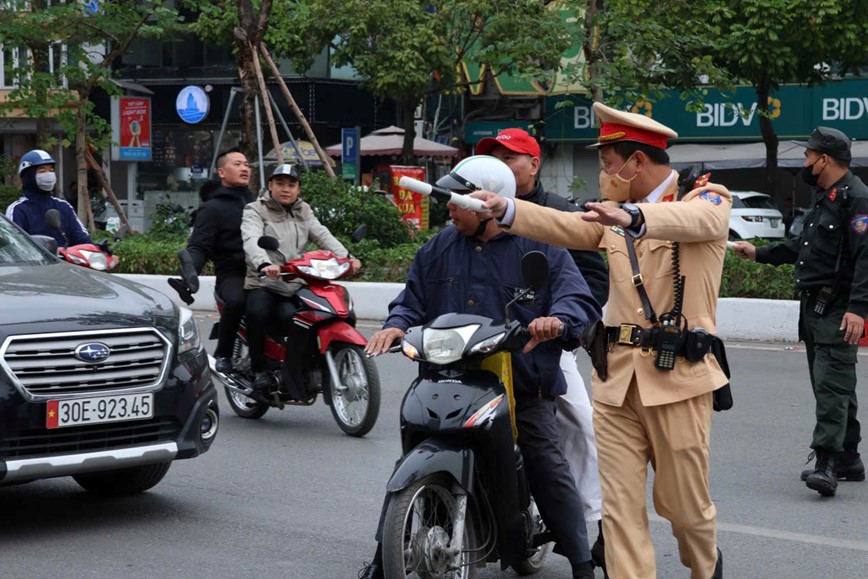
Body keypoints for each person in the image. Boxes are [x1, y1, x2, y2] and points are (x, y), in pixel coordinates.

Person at [475, 102, 730, 579]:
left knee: (684, 508)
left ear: (636, 163)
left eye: (608, 162)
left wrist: (633, 216)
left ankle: (706, 566)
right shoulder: (611, 215)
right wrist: (506, 208)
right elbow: (568, 226)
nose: (603, 172)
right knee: (620, 510)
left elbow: (706, 224)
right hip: (616, 382)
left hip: (678, 381)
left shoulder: (705, 197)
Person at [361, 155, 602, 579]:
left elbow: (576, 298)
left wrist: (557, 320)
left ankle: (582, 562)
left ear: (489, 203)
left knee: (545, 459)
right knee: (409, 453)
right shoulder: (437, 249)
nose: (449, 208)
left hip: (521, 383)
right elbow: (410, 301)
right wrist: (396, 326)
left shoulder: (539, 244)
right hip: (447, 378)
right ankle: (383, 559)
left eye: (457, 199)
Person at [475, 127, 609, 569]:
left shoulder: (564, 214)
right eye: (491, 156)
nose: (500, 164)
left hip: (543, 346)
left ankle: (597, 527)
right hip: (477, 348)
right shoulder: (465, 218)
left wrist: (561, 324)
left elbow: (592, 283)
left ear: (534, 164)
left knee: (581, 425)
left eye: (509, 156)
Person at [733, 126, 868, 497]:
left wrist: (858, 309)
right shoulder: (826, 197)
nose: (805, 162)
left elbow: (865, 259)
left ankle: (826, 461)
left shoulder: (857, 199)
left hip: (838, 309)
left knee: (831, 387)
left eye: (809, 156)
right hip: (813, 308)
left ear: (824, 159)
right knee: (836, 386)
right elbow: (803, 248)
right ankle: (849, 459)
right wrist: (759, 253)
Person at [241, 163, 361, 399]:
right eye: (280, 184)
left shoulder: (303, 210)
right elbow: (252, 239)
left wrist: (347, 257)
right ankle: (259, 370)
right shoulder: (255, 210)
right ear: (270, 186)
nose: (286, 189)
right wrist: (265, 265)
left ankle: (303, 366)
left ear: (298, 189)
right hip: (264, 282)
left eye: (291, 185)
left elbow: (322, 234)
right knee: (256, 312)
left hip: (295, 282)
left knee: (306, 317)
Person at [178, 147, 253, 373]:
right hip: (233, 273)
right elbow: (199, 246)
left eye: (247, 164)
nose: (244, 168)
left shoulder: (258, 203)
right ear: (222, 171)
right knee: (236, 301)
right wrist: (190, 272)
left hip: (265, 271)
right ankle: (224, 354)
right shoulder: (212, 208)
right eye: (237, 164)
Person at [6, 149, 92, 248]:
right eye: (42, 171)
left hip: (67, 262)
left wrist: (98, 251)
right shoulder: (18, 210)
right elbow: (15, 247)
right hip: (35, 263)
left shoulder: (63, 206)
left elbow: (83, 239)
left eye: (51, 170)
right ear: (28, 175)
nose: (49, 174)